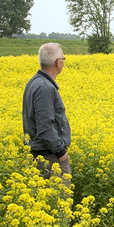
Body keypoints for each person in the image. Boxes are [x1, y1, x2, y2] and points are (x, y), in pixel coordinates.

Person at [23, 42, 71, 178]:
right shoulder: (45, 87)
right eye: (63, 58)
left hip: (41, 154)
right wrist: (61, 153)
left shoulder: (34, 82)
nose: (63, 61)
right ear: (58, 62)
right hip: (49, 157)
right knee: (59, 197)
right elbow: (45, 127)